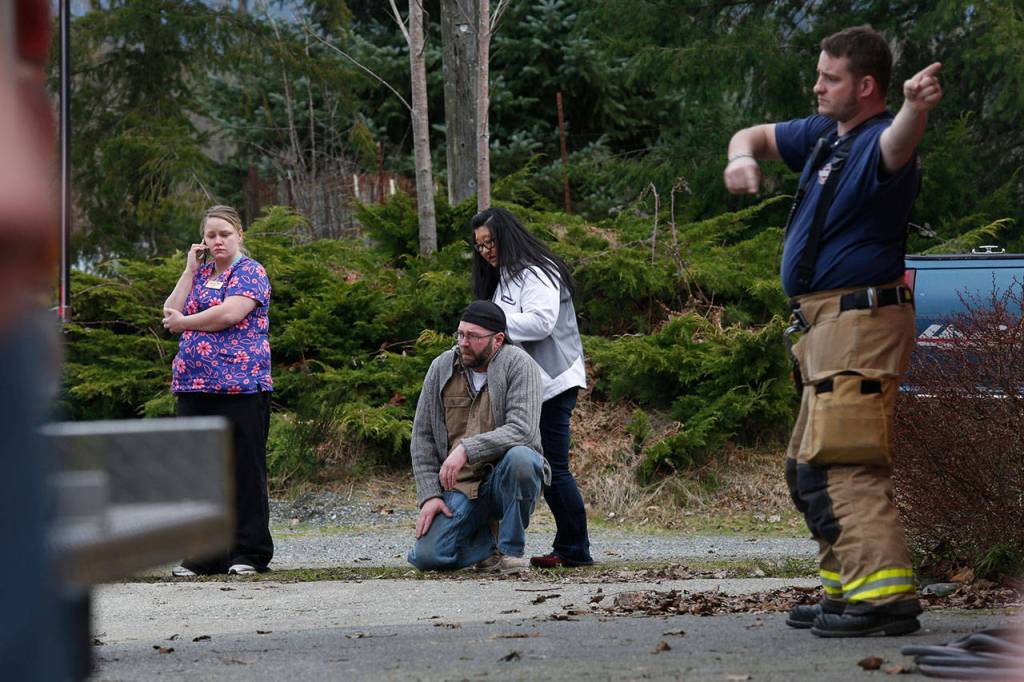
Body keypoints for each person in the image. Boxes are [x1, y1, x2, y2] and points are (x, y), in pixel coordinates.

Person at [724, 25, 942, 637]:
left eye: (831, 77)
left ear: (866, 86)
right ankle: (848, 590)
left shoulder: (879, 143)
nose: (817, 86)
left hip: (862, 323)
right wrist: (741, 159)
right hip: (827, 329)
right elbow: (753, 135)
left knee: (844, 464)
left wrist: (914, 107)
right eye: (819, 74)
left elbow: (901, 141)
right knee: (807, 467)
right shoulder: (826, 134)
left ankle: (886, 602)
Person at [470, 207, 593, 569]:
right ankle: (545, 546)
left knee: (553, 466)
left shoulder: (537, 271)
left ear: (506, 235)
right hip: (527, 387)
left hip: (554, 381)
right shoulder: (505, 278)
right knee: (532, 464)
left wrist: (488, 322)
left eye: (489, 242)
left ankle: (574, 549)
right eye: (479, 246)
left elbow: (541, 322)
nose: (485, 251)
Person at [162, 205, 274, 576]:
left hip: (241, 387)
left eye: (224, 233)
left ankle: (249, 551)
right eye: (211, 235)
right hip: (194, 385)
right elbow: (170, 312)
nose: (217, 241)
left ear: (239, 234)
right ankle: (204, 554)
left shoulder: (251, 272)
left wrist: (185, 324)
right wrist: (189, 270)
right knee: (198, 471)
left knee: (244, 469)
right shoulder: (202, 273)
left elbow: (230, 314)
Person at [408, 300, 549, 574]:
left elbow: (523, 429)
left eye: (473, 336)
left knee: (523, 459)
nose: (463, 342)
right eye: (460, 334)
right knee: (427, 558)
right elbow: (422, 437)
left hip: (503, 479)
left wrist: (466, 450)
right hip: (459, 487)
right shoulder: (441, 368)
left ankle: (510, 552)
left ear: (497, 339)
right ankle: (487, 547)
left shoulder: (520, 366)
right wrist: (430, 496)